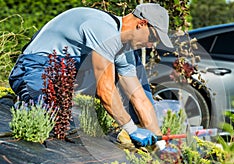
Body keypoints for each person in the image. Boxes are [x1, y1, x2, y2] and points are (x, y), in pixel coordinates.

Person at [8, 3, 174, 148]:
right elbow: (105, 91)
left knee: (64, 121)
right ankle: (21, 105)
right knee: (47, 118)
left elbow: (140, 99)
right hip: (34, 68)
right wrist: (131, 129)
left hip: (60, 75)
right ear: (141, 24)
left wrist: (160, 143)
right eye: (153, 37)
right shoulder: (103, 29)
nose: (151, 45)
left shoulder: (124, 50)